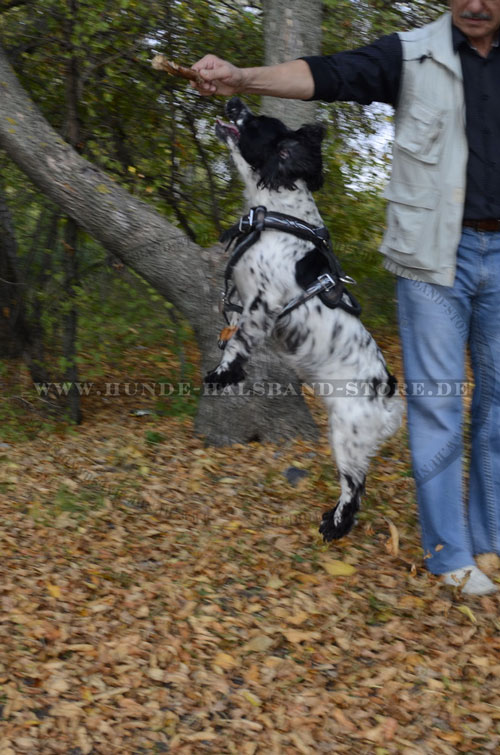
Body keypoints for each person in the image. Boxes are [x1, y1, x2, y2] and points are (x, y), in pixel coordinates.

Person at [192, 0, 500, 596]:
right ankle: (450, 556)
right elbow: (324, 74)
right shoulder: (410, 54)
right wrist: (241, 78)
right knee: (438, 406)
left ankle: (491, 543)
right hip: (433, 257)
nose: (476, 4)